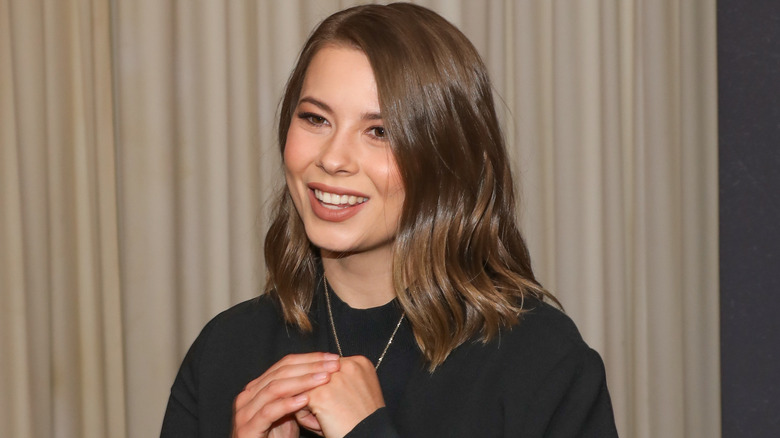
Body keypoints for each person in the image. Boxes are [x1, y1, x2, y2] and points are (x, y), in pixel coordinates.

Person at [160, 3, 618, 437]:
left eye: (379, 131)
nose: (333, 159)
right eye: (316, 119)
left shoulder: (542, 362)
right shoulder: (225, 351)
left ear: (448, 157)